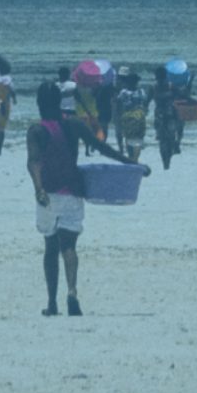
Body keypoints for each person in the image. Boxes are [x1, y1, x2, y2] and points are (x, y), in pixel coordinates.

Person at [26, 81, 144, 316]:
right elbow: (101, 147)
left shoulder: (36, 130)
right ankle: (72, 291)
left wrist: (38, 188)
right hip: (73, 190)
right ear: (60, 102)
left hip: (47, 193)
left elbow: (33, 162)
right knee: (69, 246)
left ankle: (52, 303)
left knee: (51, 248)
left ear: (39, 103)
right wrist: (132, 164)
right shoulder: (74, 124)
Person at [149, 66, 183, 171]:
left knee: (162, 140)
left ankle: (165, 163)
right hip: (171, 115)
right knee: (171, 138)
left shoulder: (153, 87)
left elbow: (146, 101)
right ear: (166, 75)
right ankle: (168, 160)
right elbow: (182, 96)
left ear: (156, 76)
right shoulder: (171, 86)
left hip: (159, 115)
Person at [113, 67, 148, 162]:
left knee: (128, 137)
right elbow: (145, 103)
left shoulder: (124, 93)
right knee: (139, 138)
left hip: (127, 116)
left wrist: (119, 117)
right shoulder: (141, 92)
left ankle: (131, 156)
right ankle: (135, 158)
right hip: (140, 116)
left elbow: (118, 105)